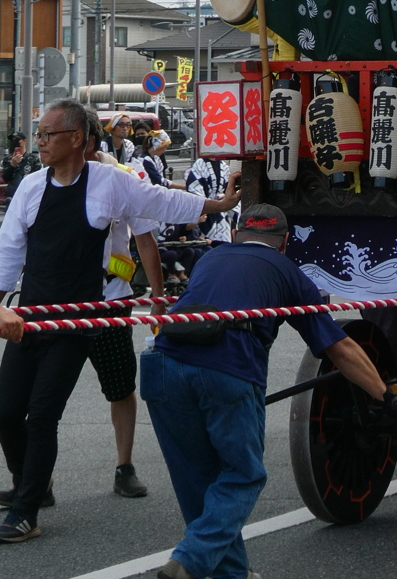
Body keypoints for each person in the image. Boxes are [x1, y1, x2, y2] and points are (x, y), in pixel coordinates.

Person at [0, 99, 241, 544]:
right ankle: (31, 481)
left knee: (44, 414)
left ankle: (26, 509)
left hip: (79, 319)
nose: (41, 143)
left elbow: (162, 201)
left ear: (76, 138)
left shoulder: (110, 182)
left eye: (48, 134)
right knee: (7, 411)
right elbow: (9, 251)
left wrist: (219, 203)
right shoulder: (31, 187)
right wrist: (1, 305)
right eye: (40, 135)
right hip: (31, 316)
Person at [141, 203, 397, 579]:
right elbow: (340, 347)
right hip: (226, 368)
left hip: (161, 365)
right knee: (244, 475)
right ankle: (190, 560)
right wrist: (385, 395)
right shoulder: (288, 272)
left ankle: (229, 573)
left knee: (200, 483)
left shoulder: (210, 258)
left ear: (236, 235)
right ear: (285, 243)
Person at [82, 114, 167, 499]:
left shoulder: (122, 177)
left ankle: (124, 465)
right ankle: (34, 478)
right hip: (59, 303)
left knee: (119, 385)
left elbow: (146, 240)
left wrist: (158, 299)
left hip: (111, 297)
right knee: (42, 391)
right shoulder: (42, 182)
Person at [185, 155, 238, 243]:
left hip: (221, 212)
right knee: (205, 242)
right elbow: (193, 188)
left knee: (224, 241)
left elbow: (229, 191)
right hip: (205, 212)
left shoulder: (223, 165)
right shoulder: (200, 164)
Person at [2, 133, 40, 200]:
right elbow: (5, 178)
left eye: (17, 140)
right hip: (13, 195)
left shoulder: (33, 158)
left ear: (24, 141)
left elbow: (37, 178)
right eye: (13, 140)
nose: (15, 142)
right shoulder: (8, 159)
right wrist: (12, 165)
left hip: (29, 194)